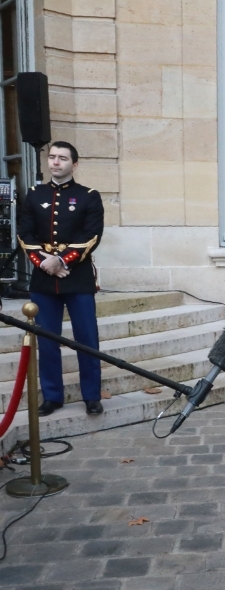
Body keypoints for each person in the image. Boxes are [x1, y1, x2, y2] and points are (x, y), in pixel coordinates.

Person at [17, 141, 105, 416]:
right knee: (46, 340)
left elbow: (91, 235)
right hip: (44, 278)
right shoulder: (33, 194)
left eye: (62, 158)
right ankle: (52, 396)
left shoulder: (89, 196)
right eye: (52, 157)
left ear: (74, 165)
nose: (55, 162)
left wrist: (62, 260)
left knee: (87, 339)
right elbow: (25, 234)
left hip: (77, 277)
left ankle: (91, 395)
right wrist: (46, 263)